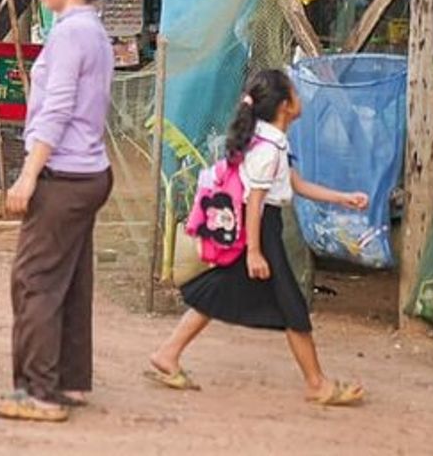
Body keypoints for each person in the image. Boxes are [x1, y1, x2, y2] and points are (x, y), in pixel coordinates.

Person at [146, 68, 369, 407]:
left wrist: (343, 198)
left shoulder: (269, 141)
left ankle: (167, 353)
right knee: (292, 307)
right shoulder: (268, 148)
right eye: (294, 91)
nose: (300, 97)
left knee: (220, 290)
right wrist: (254, 251)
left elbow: (296, 185)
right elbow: (255, 203)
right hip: (262, 231)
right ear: (284, 105)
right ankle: (317, 383)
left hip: (264, 229)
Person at [0, 0, 120, 424]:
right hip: (90, 173)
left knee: (35, 280)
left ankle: (39, 391)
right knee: (72, 279)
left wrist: (27, 177)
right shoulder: (92, 31)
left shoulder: (69, 35)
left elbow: (57, 109)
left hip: (64, 174)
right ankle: (70, 380)